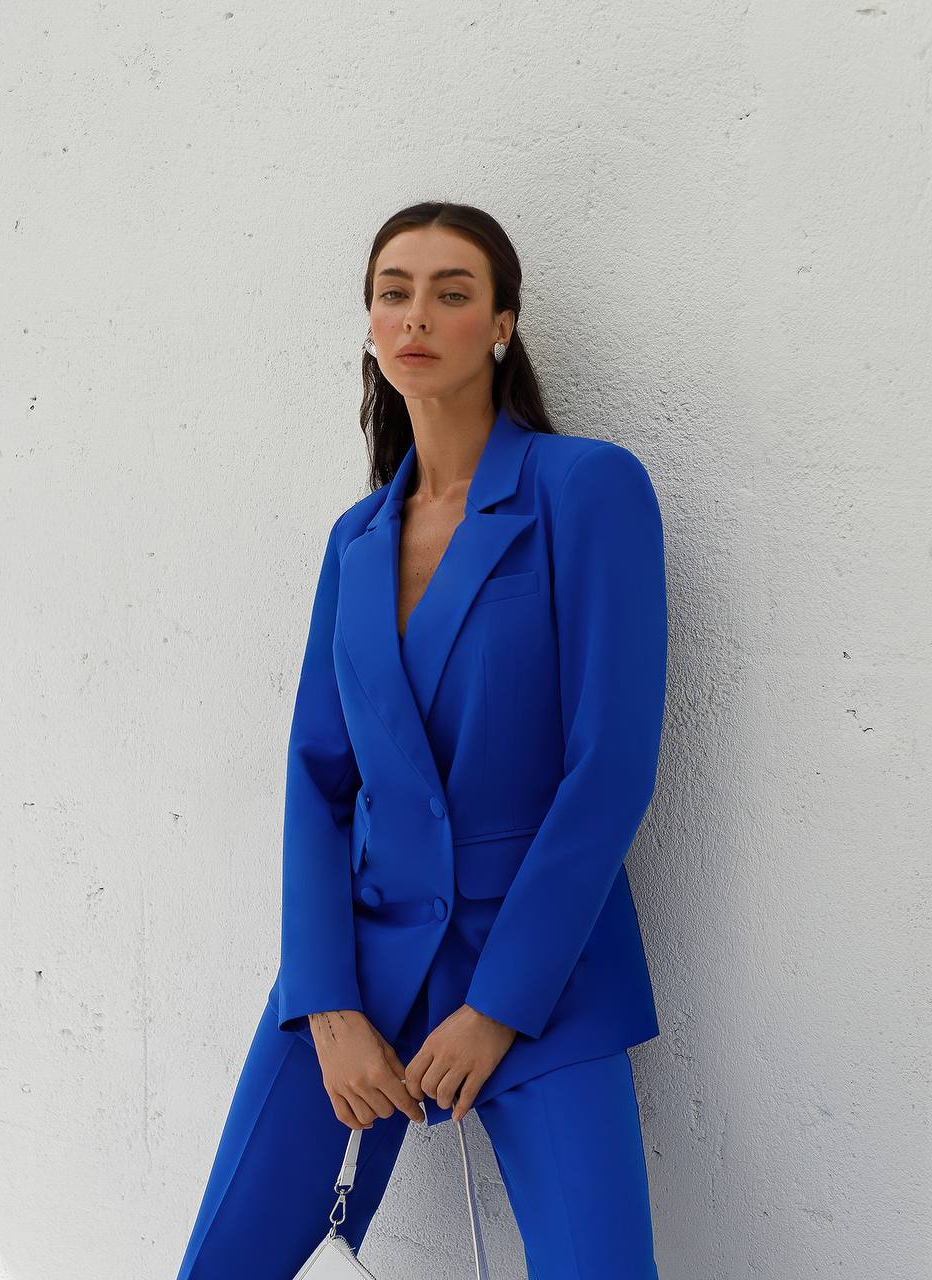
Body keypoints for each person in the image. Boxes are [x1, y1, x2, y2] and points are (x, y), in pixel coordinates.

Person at [175, 201, 668, 1279]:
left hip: (542, 974)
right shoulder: (354, 542)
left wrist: (498, 1007)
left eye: (452, 293)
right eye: (393, 292)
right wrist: (326, 1003)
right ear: (369, 324)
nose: (417, 315)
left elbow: (610, 767)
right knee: (224, 1262)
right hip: (360, 964)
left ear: (502, 325)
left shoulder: (587, 490)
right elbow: (318, 777)